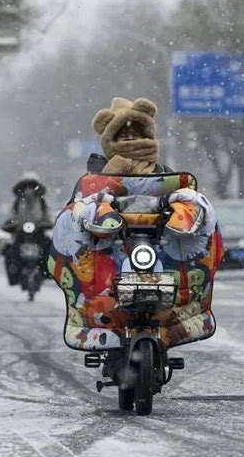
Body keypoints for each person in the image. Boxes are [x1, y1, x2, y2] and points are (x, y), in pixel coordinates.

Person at [48, 97, 224, 351]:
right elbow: (76, 211)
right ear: (110, 138)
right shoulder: (96, 173)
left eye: (136, 132)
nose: (130, 139)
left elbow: (185, 200)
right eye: (123, 134)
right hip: (114, 248)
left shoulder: (166, 173)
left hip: (157, 245)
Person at [2, 173, 52, 285]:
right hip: (21, 232)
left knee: (49, 249)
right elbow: (12, 217)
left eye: (32, 186)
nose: (29, 189)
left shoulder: (42, 203)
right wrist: (12, 224)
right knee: (10, 251)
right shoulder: (17, 203)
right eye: (27, 186)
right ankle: (14, 275)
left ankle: (47, 272)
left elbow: (48, 216)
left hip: (38, 232)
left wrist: (44, 223)